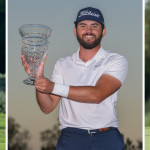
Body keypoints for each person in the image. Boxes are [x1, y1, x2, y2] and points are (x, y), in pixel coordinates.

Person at [21, 7, 128, 150]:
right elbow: (47, 107)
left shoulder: (115, 60)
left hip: (107, 138)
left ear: (103, 31)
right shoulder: (62, 64)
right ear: (75, 31)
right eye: (83, 26)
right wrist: (37, 76)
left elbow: (97, 94)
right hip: (71, 138)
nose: (88, 31)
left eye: (94, 26)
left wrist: (53, 87)